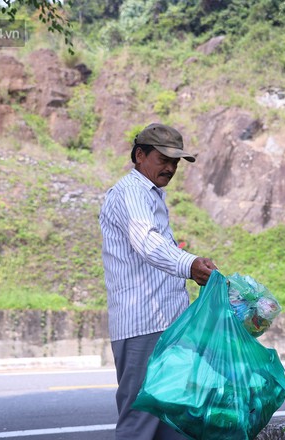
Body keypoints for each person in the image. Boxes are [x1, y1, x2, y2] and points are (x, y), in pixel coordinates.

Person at [99, 123, 217, 440]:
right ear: (140, 155)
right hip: (143, 327)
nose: (170, 167)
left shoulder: (151, 196)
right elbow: (148, 243)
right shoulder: (131, 192)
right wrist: (189, 264)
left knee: (172, 422)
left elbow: (159, 249)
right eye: (163, 158)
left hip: (166, 326)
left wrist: (193, 265)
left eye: (175, 162)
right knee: (140, 422)